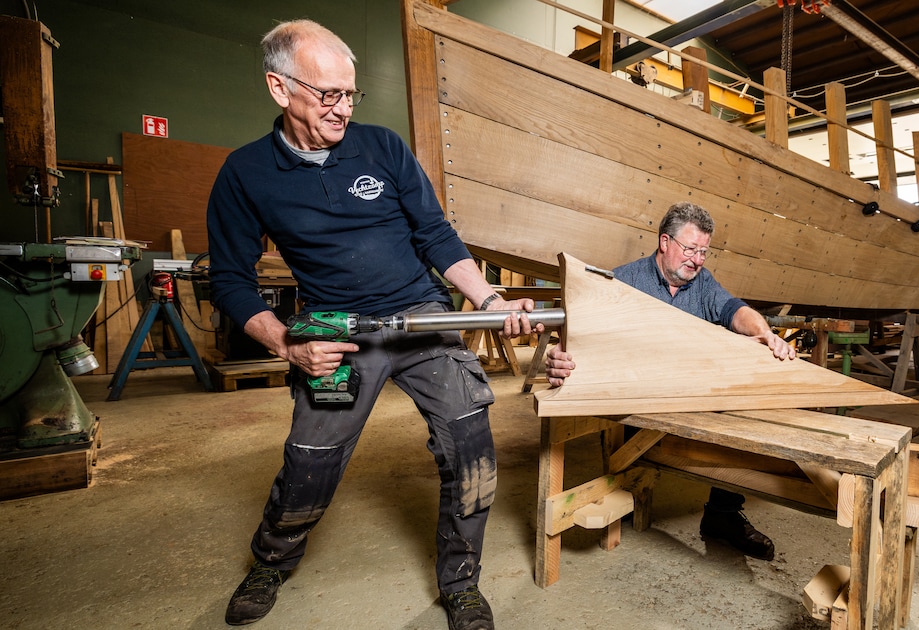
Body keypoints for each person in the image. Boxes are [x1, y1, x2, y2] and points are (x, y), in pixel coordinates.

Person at [207, 19, 536, 629]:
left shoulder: (381, 146)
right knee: (310, 458)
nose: (342, 109)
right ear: (280, 89)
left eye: (350, 94)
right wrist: (287, 343)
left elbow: (435, 234)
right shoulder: (245, 172)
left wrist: (489, 300)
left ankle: (461, 580)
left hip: (421, 316)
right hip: (333, 327)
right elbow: (229, 278)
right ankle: (272, 560)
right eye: (328, 94)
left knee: (470, 445)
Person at [544, 201, 795, 561]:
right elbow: (582, 335)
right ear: (665, 242)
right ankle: (628, 487)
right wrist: (562, 355)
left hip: (685, 393)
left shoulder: (702, 283)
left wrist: (765, 334)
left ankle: (722, 516)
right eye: (690, 249)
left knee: (745, 411)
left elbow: (734, 309)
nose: (697, 259)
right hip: (635, 397)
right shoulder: (625, 280)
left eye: (704, 252)